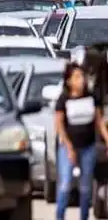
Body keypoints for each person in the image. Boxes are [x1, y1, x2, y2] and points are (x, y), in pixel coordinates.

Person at [54, 62, 108, 220]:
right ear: (69, 81)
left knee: (85, 187)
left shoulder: (91, 97)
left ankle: (83, 217)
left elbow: (99, 122)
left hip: (88, 147)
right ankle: (60, 216)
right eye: (77, 77)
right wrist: (69, 148)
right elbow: (59, 126)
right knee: (65, 184)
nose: (81, 80)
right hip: (68, 147)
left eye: (82, 76)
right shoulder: (63, 99)